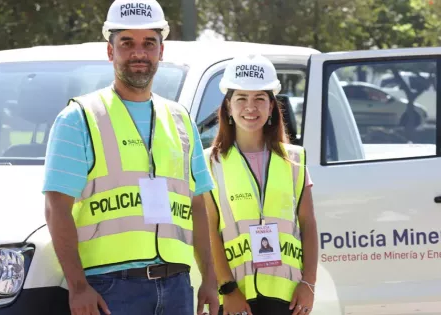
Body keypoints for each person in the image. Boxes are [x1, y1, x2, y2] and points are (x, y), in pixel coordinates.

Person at [42, 0, 218, 314]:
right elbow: (57, 208)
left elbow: (198, 205)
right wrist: (78, 286)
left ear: (161, 52)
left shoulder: (181, 119)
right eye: (127, 43)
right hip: (110, 287)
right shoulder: (79, 118)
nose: (139, 52)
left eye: (149, 43)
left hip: (177, 284)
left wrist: (209, 278)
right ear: (111, 52)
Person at [202, 54, 319, 315]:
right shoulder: (209, 162)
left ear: (271, 107)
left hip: (287, 297)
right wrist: (227, 288)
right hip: (236, 295)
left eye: (259, 99)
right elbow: (209, 230)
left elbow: (308, 224)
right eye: (241, 98)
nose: (250, 107)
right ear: (228, 107)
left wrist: (308, 283)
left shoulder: (295, 160)